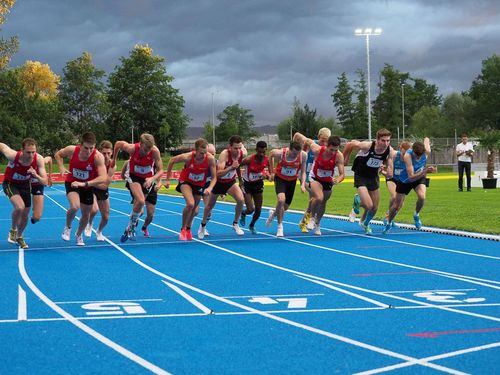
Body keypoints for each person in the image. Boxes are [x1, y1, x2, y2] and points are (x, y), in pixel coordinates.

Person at [54, 132, 107, 246]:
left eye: (91, 148)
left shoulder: (97, 157)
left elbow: (103, 177)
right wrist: (61, 166)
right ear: (80, 145)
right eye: (86, 148)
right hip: (72, 182)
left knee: (86, 214)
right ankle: (67, 227)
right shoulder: (72, 150)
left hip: (87, 186)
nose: (88, 151)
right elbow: (58, 154)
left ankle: (79, 234)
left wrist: (85, 184)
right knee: (74, 206)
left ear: (95, 146)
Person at [112, 133, 164, 242]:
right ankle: (131, 228)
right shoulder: (131, 148)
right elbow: (117, 144)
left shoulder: (154, 151)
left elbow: (160, 170)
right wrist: (114, 159)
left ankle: (129, 227)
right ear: (140, 144)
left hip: (147, 178)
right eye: (145, 149)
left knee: (139, 207)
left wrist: (152, 179)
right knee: (140, 201)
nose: (147, 152)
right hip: (133, 175)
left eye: (149, 149)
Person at [342, 129, 393, 234]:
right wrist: (345, 159)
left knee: (374, 208)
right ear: (377, 140)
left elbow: (390, 164)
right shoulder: (367, 146)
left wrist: (388, 171)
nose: (386, 143)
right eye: (383, 141)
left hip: (373, 176)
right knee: (369, 205)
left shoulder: (389, 150)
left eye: (388, 141)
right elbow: (349, 144)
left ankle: (365, 223)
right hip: (360, 175)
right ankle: (358, 201)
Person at [165, 138, 217, 240]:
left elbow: (214, 177)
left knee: (195, 210)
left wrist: (210, 188)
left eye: (205, 153)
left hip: (199, 184)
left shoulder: (210, 159)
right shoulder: (188, 157)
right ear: (195, 150)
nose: (204, 155)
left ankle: (188, 228)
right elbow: (171, 161)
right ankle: (183, 229)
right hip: (186, 181)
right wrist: (167, 179)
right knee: (190, 204)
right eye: (201, 153)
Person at [293, 133, 345, 235]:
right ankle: (311, 218)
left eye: (336, 150)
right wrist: (298, 150)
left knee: (323, 202)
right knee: (319, 197)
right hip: (315, 177)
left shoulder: (339, 156)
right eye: (331, 150)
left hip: (328, 180)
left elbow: (342, 174)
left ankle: (317, 223)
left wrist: (338, 180)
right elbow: (305, 139)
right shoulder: (317, 149)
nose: (333, 152)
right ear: (326, 146)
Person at [1, 139, 48, 249]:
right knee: (19, 207)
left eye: (33, 152)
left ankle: (20, 236)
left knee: (25, 215)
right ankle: (13, 230)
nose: (31, 155)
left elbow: (45, 182)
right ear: (22, 150)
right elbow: (2, 146)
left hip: (25, 185)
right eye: (28, 152)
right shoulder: (13, 156)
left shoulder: (38, 159)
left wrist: (36, 175)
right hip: (10, 183)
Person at [383, 138, 436, 233]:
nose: (419, 157)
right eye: (417, 155)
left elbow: (427, 139)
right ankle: (389, 222)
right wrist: (425, 171)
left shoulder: (426, 151)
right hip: (406, 179)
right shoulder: (408, 155)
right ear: (413, 151)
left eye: (421, 155)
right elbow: (411, 177)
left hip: (419, 178)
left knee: (422, 196)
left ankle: (416, 215)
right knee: (396, 205)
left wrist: (426, 140)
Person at [198, 135, 247, 237]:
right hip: (219, 182)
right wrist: (230, 167)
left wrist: (240, 179)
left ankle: (235, 224)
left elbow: (237, 166)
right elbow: (218, 173)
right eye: (235, 148)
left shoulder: (243, 153)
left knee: (241, 200)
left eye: (239, 147)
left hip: (230, 182)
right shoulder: (224, 154)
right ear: (230, 147)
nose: (238, 150)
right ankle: (202, 226)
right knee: (209, 207)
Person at [266, 141, 307, 237]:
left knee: (285, 207)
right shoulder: (280, 153)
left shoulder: (303, 155)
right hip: (280, 178)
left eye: (298, 153)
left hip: (292, 181)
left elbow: (303, 171)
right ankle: (280, 226)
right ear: (290, 149)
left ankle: (273, 214)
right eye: (294, 153)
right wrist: (272, 172)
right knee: (281, 200)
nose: (296, 155)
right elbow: (270, 154)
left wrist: (303, 184)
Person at [297, 128, 331, 233]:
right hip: (307, 176)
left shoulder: (328, 149)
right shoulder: (311, 143)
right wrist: (301, 151)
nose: (324, 143)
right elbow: (297, 135)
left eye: (326, 141)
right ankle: (310, 220)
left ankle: (313, 223)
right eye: (322, 140)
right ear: (318, 137)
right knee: (316, 196)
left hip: (320, 177)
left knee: (321, 200)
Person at [85, 140, 116, 241]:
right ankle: (89, 223)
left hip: (100, 189)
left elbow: (105, 185)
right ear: (99, 152)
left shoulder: (112, 165)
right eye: (104, 153)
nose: (106, 156)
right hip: (91, 188)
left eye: (108, 153)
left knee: (106, 217)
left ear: (112, 153)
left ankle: (99, 231)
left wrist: (92, 181)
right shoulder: (94, 161)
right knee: (94, 209)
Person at [238, 141, 271, 234]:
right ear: (256, 150)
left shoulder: (266, 160)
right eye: (259, 152)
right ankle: (244, 213)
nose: (261, 154)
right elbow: (237, 166)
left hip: (258, 185)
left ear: (266, 150)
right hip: (247, 185)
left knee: (258, 210)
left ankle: (252, 225)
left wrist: (267, 176)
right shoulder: (248, 159)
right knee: (250, 209)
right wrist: (240, 180)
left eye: (263, 152)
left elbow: (270, 174)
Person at [381, 141, 412, 228]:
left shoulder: (409, 159)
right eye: (405, 151)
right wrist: (382, 168)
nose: (406, 154)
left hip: (402, 181)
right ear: (401, 149)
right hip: (391, 178)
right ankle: (387, 218)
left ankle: (390, 217)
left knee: (401, 204)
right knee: (394, 196)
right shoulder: (394, 155)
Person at [30, 156, 53, 224]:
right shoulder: (21, 161)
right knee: (22, 210)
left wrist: (50, 176)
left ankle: (34, 210)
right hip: (24, 185)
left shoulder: (40, 160)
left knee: (36, 217)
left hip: (38, 185)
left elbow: (49, 158)